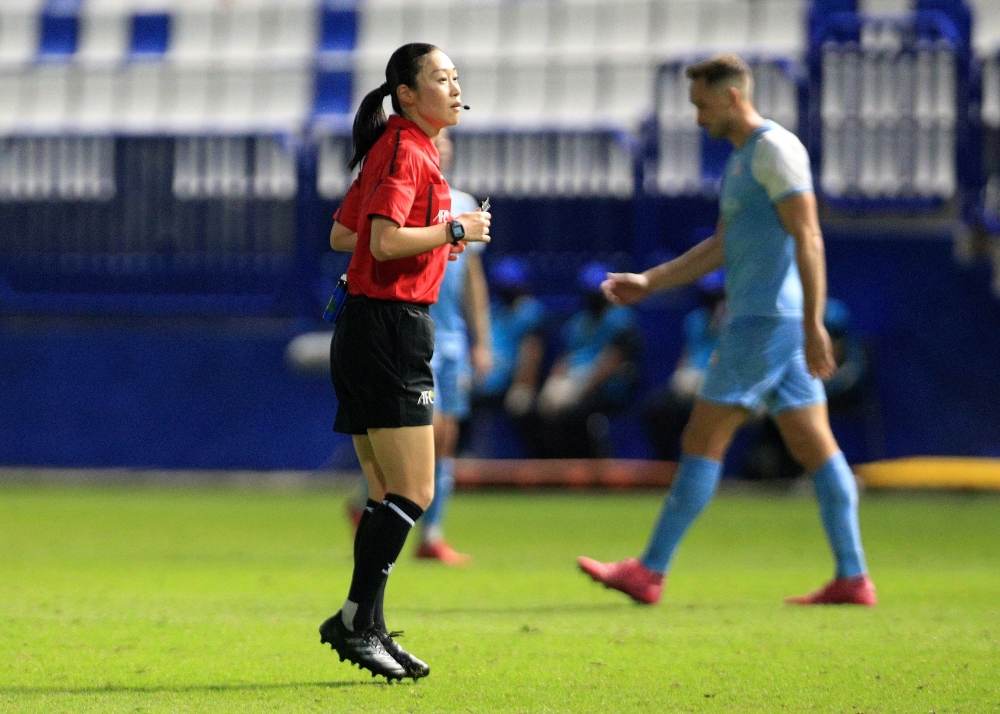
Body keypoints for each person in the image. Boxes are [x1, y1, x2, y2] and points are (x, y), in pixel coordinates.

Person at [578, 55, 876, 607]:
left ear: (733, 97)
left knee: (700, 440)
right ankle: (853, 577)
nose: (696, 118)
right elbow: (722, 245)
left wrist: (814, 324)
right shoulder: (744, 159)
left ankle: (649, 571)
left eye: (701, 105)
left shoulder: (776, 150)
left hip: (765, 324)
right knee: (816, 447)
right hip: (772, 324)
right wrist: (651, 282)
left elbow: (809, 238)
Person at [318, 43, 491, 682]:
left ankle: (368, 624)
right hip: (391, 330)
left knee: (385, 492)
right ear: (408, 93)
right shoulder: (406, 150)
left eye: (455, 78)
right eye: (441, 78)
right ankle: (354, 619)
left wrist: (425, 242)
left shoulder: (396, 147)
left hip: (369, 327)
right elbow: (384, 241)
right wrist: (453, 232)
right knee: (415, 491)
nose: (454, 87)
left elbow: (346, 234)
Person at [418, 128, 492, 565]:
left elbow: (473, 282)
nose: (441, 151)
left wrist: (481, 340)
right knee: (434, 431)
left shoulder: (465, 204)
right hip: (419, 333)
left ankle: (432, 534)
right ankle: (388, 505)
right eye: (434, 145)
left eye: (446, 146)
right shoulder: (411, 203)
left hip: (452, 339)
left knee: (447, 436)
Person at [532, 261, 642, 458]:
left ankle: (591, 465)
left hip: (605, 389)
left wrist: (578, 392)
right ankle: (551, 467)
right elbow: (564, 359)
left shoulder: (621, 319)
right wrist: (552, 386)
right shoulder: (578, 322)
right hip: (574, 383)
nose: (593, 298)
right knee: (538, 409)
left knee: (573, 414)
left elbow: (610, 365)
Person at [641, 269, 727, 461]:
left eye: (715, 295)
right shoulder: (695, 319)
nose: (711, 301)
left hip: (718, 384)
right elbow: (687, 355)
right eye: (707, 295)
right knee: (656, 408)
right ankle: (666, 464)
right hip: (690, 383)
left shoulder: (735, 320)